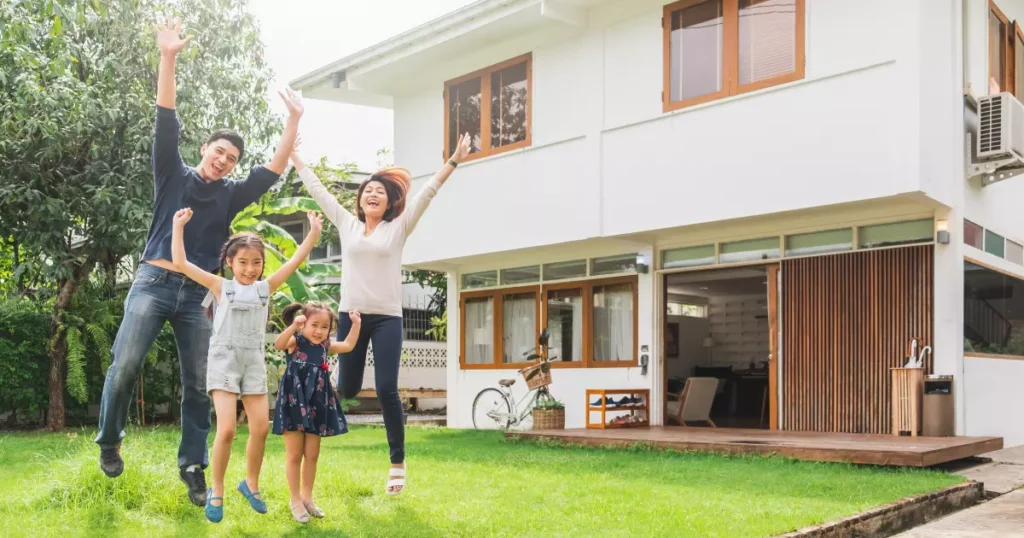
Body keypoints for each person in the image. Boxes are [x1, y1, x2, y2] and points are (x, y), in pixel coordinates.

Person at [93, 17, 302, 507]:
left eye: (232, 157)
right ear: (204, 149)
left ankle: (192, 466)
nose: (224, 160)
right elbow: (165, 115)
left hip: (199, 296)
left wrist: (293, 122)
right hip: (153, 281)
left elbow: (272, 170)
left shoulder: (231, 195)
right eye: (219, 151)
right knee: (124, 364)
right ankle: (109, 439)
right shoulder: (171, 172)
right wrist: (168, 57)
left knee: (197, 383)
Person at [291, 132, 472, 495]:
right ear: (360, 200)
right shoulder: (347, 224)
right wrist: (296, 158)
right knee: (347, 387)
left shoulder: (399, 228)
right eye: (367, 191)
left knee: (388, 387)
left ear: (389, 203)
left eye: (380, 192)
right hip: (351, 316)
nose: (372, 194)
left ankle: (397, 463)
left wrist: (452, 160)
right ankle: (305, 420)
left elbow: (427, 195)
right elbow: (320, 193)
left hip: (388, 317)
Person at [171, 208, 323, 523]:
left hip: (253, 360)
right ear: (230, 262)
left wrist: (314, 232)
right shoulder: (220, 286)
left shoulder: (265, 289)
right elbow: (181, 264)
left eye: (256, 263)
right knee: (226, 430)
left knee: (261, 428)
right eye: (243, 262)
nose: (250, 269)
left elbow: (296, 261)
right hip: (224, 360)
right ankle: (216, 489)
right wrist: (178, 226)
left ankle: (250, 483)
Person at [272, 302, 361, 523]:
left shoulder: (326, 346)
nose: (319, 331)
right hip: (294, 400)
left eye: (324, 327)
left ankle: (307, 498)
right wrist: (294, 326)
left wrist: (356, 324)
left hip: (317, 402)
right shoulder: (297, 341)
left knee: (312, 454)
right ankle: (294, 500)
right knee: (294, 454)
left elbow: (349, 345)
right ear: (304, 324)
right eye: (314, 325)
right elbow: (278, 344)